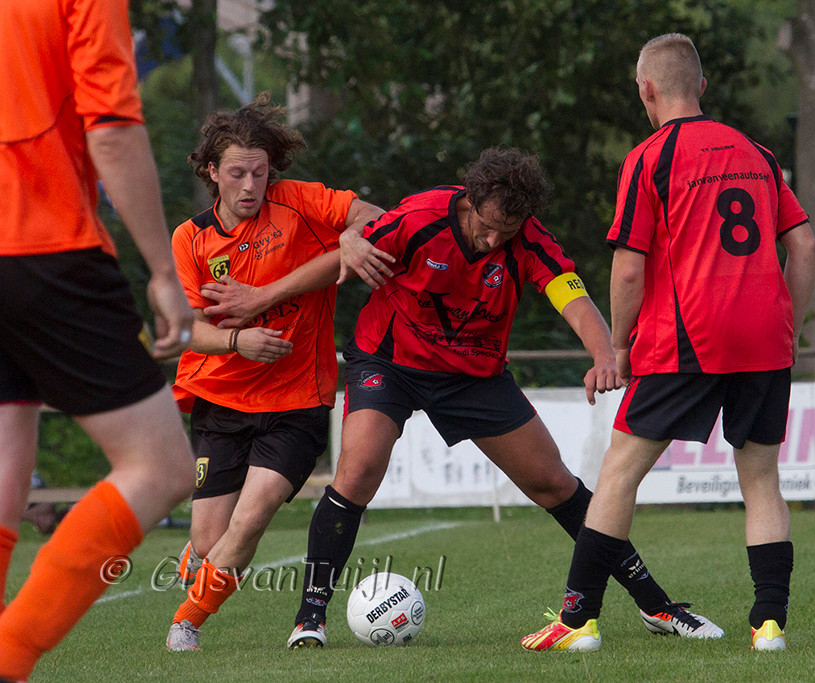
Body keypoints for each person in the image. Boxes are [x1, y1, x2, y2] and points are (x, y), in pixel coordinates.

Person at [204, 146, 724, 650]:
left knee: (554, 484)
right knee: (358, 472)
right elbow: (347, 250)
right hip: (389, 362)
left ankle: (656, 605)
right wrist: (315, 263)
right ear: (469, 200)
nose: (494, 240)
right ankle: (310, 618)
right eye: (487, 226)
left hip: (474, 376)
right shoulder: (420, 217)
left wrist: (604, 353)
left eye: (507, 231)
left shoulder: (529, 239)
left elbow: (571, 296)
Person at [522, 33, 815, 653]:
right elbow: (805, 245)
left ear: (647, 90)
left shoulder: (650, 158)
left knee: (619, 471)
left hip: (688, 339)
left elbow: (629, 269)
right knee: (761, 478)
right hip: (764, 338)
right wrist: (787, 326)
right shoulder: (758, 153)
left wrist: (618, 346)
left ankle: (578, 622)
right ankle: (769, 626)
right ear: (702, 86)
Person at [0, 1, 196, 678]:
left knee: (6, 446)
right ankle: (9, 656)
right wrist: (163, 271)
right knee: (161, 467)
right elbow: (110, 128)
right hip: (41, 242)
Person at [163, 93, 384, 652]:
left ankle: (186, 622)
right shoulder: (191, 238)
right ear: (212, 173)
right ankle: (202, 560)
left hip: (297, 400)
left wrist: (349, 236)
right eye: (237, 173)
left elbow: (377, 219)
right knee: (209, 540)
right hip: (221, 399)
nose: (250, 186)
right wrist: (238, 340)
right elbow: (189, 330)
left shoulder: (299, 203)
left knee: (252, 517)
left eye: (259, 173)